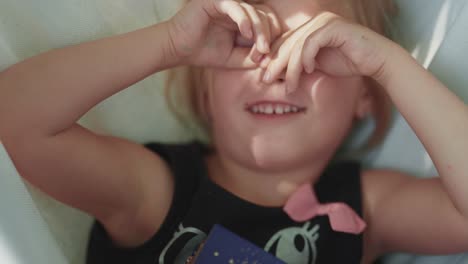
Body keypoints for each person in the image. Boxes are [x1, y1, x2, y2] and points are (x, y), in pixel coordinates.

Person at [0, 0, 467, 263]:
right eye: (247, 42)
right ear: (205, 91)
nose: (280, 72)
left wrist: (389, 65)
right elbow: (15, 121)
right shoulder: (156, 190)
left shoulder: (370, 206)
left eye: (319, 51)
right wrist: (167, 45)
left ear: (365, 95)